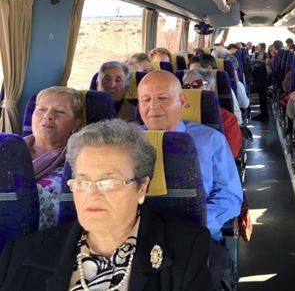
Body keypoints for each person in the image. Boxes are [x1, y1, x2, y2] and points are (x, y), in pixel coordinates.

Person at [1, 120, 212, 290]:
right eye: (82, 182)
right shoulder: (21, 253)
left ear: (141, 188)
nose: (92, 194)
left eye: (109, 183)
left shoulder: (186, 250)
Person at [137, 71, 243, 240]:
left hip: (195, 234)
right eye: (146, 100)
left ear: (182, 100)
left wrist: (197, 223)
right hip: (136, 236)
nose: (153, 106)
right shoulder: (126, 142)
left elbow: (230, 196)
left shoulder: (211, 140)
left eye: (162, 98)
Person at [25, 86, 82, 230]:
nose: (48, 116)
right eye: (42, 109)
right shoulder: (7, 149)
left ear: (75, 124)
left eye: (60, 111)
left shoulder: (78, 163)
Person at [183, 69, 242, 158]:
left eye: (196, 85)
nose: (191, 89)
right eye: (187, 87)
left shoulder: (227, 119)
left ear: (210, 88)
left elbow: (230, 153)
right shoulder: (175, 117)